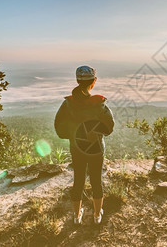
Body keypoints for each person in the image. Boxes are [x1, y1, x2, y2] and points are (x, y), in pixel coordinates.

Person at [54, 65, 114, 225]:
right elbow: (109, 127)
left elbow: (59, 127)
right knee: (96, 180)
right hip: (96, 149)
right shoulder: (99, 103)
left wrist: (74, 136)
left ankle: (76, 216)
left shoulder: (68, 104)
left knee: (78, 180)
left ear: (77, 80)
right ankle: (96, 215)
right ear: (93, 82)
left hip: (77, 148)